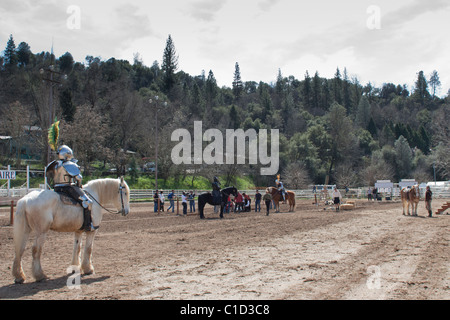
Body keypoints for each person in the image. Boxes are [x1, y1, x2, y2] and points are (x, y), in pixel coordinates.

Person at [45, 145, 94, 232]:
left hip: (56, 188)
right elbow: (78, 177)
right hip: (68, 188)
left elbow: (48, 174)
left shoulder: (54, 164)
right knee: (88, 202)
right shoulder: (69, 164)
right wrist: (79, 185)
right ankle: (88, 225)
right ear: (68, 154)